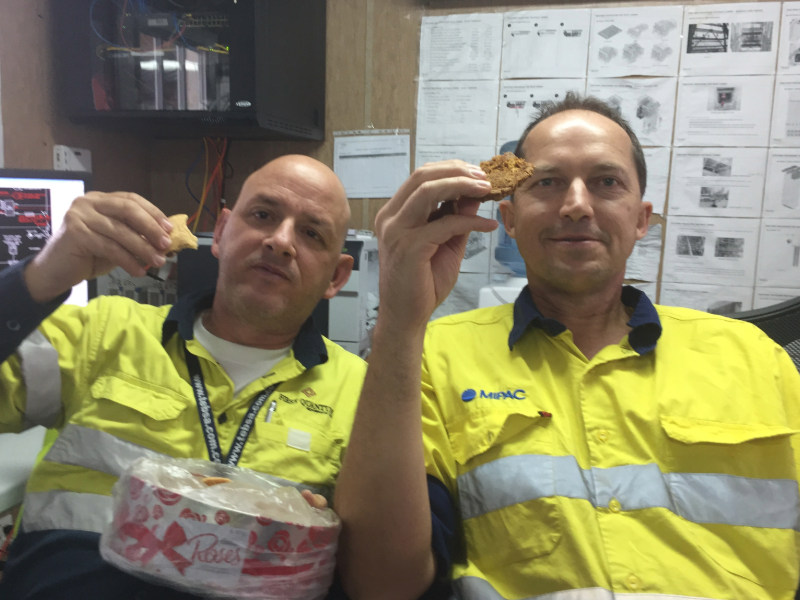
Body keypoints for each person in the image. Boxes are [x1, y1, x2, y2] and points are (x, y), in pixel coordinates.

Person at [334, 94, 800, 600]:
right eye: (548, 182)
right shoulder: (433, 355)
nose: (577, 204)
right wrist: (400, 321)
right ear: (508, 220)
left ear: (642, 219)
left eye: (606, 182)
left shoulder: (755, 356)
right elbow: (381, 584)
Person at [0, 155, 367, 599]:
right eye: (263, 215)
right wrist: (42, 277)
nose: (280, 240)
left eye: (312, 233)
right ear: (223, 232)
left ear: (337, 276)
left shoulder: (363, 393)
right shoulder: (104, 332)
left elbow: (381, 569)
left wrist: (322, 543)